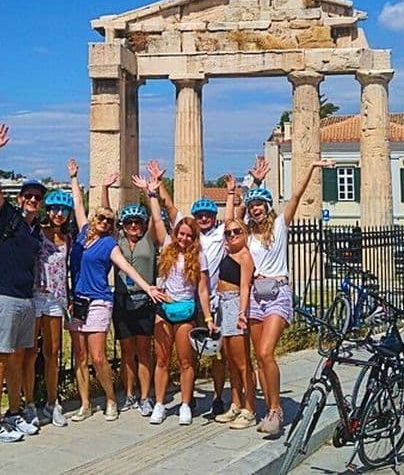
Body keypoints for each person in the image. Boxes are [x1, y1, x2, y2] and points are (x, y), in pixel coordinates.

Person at [233, 158, 334, 437]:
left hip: (278, 292)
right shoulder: (247, 234)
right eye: (252, 206)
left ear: (267, 207)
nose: (255, 209)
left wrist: (312, 166)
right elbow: (234, 215)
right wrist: (252, 182)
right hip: (255, 294)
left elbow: (297, 196)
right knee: (258, 358)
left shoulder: (280, 226)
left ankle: (276, 410)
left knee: (267, 352)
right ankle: (269, 410)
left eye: (260, 205)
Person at [65, 159, 164, 424]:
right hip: (78, 301)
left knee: (98, 356)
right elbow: (78, 205)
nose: (105, 222)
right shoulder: (84, 232)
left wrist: (148, 287)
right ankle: (85, 404)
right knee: (81, 356)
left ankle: (111, 398)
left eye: (109, 221)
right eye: (102, 219)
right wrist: (75, 178)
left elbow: (128, 270)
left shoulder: (110, 243)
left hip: (101, 300)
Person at [132, 173, 215, 426]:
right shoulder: (167, 247)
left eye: (189, 235)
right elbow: (157, 219)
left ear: (194, 238)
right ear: (176, 233)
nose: (184, 238)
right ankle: (159, 404)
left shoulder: (199, 257)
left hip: (186, 309)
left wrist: (209, 317)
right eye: (181, 234)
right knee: (162, 359)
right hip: (164, 308)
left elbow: (202, 289)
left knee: (186, 361)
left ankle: (186, 405)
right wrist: (152, 193)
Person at [0, 124, 41, 442]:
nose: (32, 200)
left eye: (36, 197)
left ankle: (14, 413)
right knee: (0, 356)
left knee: (18, 356)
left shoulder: (35, 231)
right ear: (20, 199)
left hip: (24, 298)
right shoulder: (7, 217)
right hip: (2, 296)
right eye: (28, 196)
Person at [100, 171, 156, 417]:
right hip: (122, 300)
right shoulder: (117, 241)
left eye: (138, 223)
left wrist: (148, 190)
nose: (134, 226)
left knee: (144, 352)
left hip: (144, 300)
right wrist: (104, 189)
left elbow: (156, 215)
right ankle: (130, 393)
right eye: (129, 223)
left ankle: (145, 396)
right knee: (126, 352)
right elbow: (105, 216)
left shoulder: (150, 240)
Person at [21, 189, 73, 429]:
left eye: (63, 211)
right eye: (54, 210)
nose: (58, 214)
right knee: (31, 352)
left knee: (52, 352)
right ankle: (29, 402)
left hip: (56, 298)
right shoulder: (37, 232)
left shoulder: (68, 239)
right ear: (48, 211)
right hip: (35, 294)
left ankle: (53, 402)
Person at [212, 209, 258, 430]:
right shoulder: (227, 252)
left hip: (234, 305)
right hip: (222, 305)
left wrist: (241, 313)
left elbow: (245, 286)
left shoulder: (245, 256)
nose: (231, 235)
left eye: (236, 231)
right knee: (230, 361)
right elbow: (230, 215)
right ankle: (235, 404)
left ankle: (249, 409)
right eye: (228, 233)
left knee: (242, 363)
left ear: (245, 231)